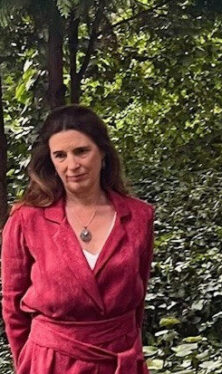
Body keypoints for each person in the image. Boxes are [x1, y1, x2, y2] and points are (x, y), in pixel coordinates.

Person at [2, 105, 154, 373]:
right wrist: (27, 364)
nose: (72, 165)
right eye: (60, 155)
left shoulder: (139, 217)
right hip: (49, 363)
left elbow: (136, 304)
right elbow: (13, 306)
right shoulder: (26, 220)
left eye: (82, 151)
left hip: (119, 361)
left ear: (102, 152)